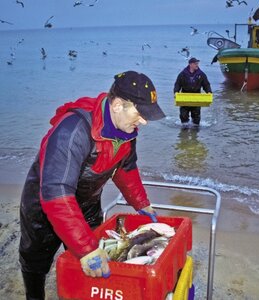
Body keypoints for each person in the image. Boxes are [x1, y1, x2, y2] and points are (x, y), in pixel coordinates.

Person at [19, 70, 165, 300]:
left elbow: (125, 169)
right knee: (36, 259)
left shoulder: (127, 131)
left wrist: (142, 204)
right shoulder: (73, 130)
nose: (144, 121)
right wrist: (86, 248)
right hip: (46, 204)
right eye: (140, 113)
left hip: (87, 201)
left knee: (93, 260)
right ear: (117, 105)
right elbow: (56, 193)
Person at [173, 57, 212, 127]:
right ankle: (184, 132)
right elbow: (177, 84)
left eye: (197, 63)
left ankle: (195, 133)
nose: (197, 65)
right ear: (190, 64)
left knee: (196, 118)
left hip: (196, 97)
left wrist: (209, 92)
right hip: (184, 97)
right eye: (195, 63)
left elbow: (206, 84)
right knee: (183, 116)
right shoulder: (182, 74)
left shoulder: (201, 74)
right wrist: (176, 92)